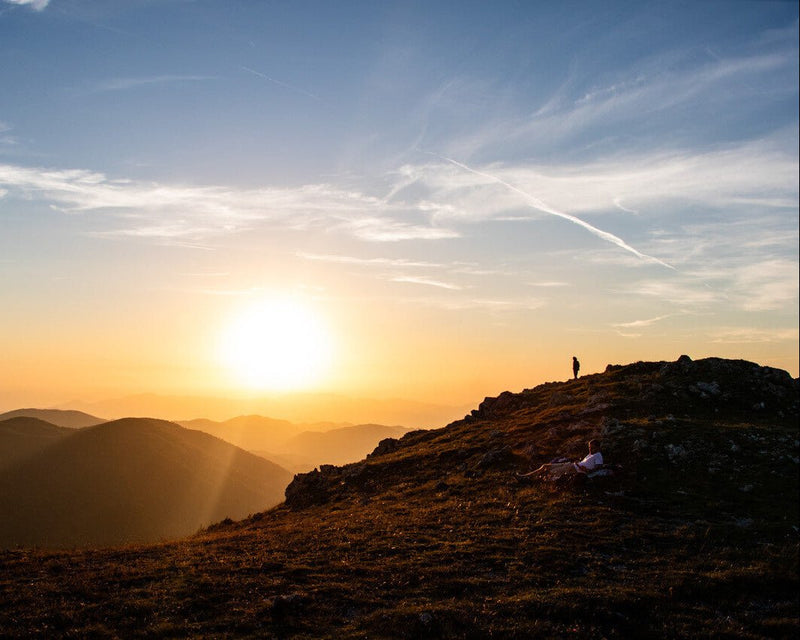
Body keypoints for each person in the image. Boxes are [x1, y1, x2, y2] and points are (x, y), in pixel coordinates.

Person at [516, 440, 603, 482]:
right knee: (545, 466)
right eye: (589, 447)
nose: (590, 449)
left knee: (550, 472)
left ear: (598, 447)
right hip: (571, 465)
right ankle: (525, 476)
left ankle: (528, 479)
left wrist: (586, 470)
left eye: (593, 447)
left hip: (573, 468)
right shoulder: (591, 454)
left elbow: (598, 468)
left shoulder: (598, 455)